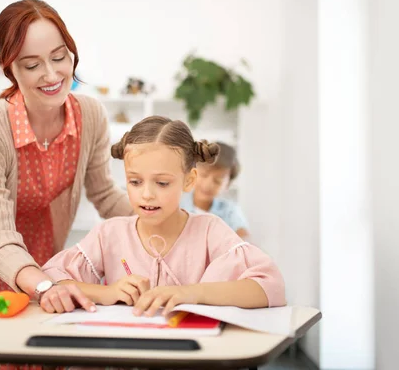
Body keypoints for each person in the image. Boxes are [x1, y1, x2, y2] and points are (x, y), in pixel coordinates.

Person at [0, 0, 131, 368]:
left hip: (37, 262)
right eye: (32, 65)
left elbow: (105, 195)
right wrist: (46, 285)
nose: (51, 74)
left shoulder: (90, 116)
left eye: (60, 57)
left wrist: (164, 217)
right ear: (11, 69)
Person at [41, 116, 285, 317]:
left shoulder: (210, 230)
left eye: (162, 183)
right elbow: (50, 278)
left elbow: (269, 288)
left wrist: (191, 293)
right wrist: (107, 292)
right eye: (135, 182)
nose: (147, 194)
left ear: (189, 180)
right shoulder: (110, 233)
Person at [180, 141, 250, 238]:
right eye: (204, 175)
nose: (208, 185)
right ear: (192, 173)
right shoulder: (177, 204)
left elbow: (243, 235)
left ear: (228, 184)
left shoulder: (229, 210)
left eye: (218, 181)